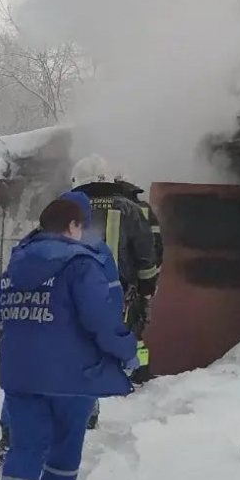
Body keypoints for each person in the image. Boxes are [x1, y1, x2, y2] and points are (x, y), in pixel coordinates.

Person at [0, 197, 138, 480]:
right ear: (72, 226)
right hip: (72, 376)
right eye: (81, 226)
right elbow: (101, 320)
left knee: (26, 444)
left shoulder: (16, 265)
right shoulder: (82, 265)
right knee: (67, 440)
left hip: (20, 376)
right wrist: (127, 351)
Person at [0, 190, 122, 469]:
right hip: (72, 347)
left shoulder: (29, 246)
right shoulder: (96, 252)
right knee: (69, 408)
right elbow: (108, 300)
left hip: (24, 346)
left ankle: (10, 440)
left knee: (24, 397)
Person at [71, 156, 160, 385]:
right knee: (119, 336)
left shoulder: (68, 208)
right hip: (119, 292)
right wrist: (147, 287)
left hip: (74, 289)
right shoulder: (130, 208)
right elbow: (145, 252)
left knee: (78, 337)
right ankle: (124, 379)